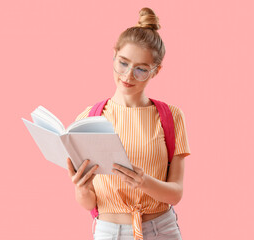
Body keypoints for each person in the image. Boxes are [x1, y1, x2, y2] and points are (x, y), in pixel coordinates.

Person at [67, 7, 190, 240]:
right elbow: (89, 203)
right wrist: (81, 187)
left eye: (141, 69)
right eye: (123, 63)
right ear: (114, 55)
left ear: (156, 71)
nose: (128, 76)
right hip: (109, 231)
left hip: (161, 229)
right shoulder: (88, 119)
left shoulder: (171, 116)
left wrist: (143, 182)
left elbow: (175, 194)